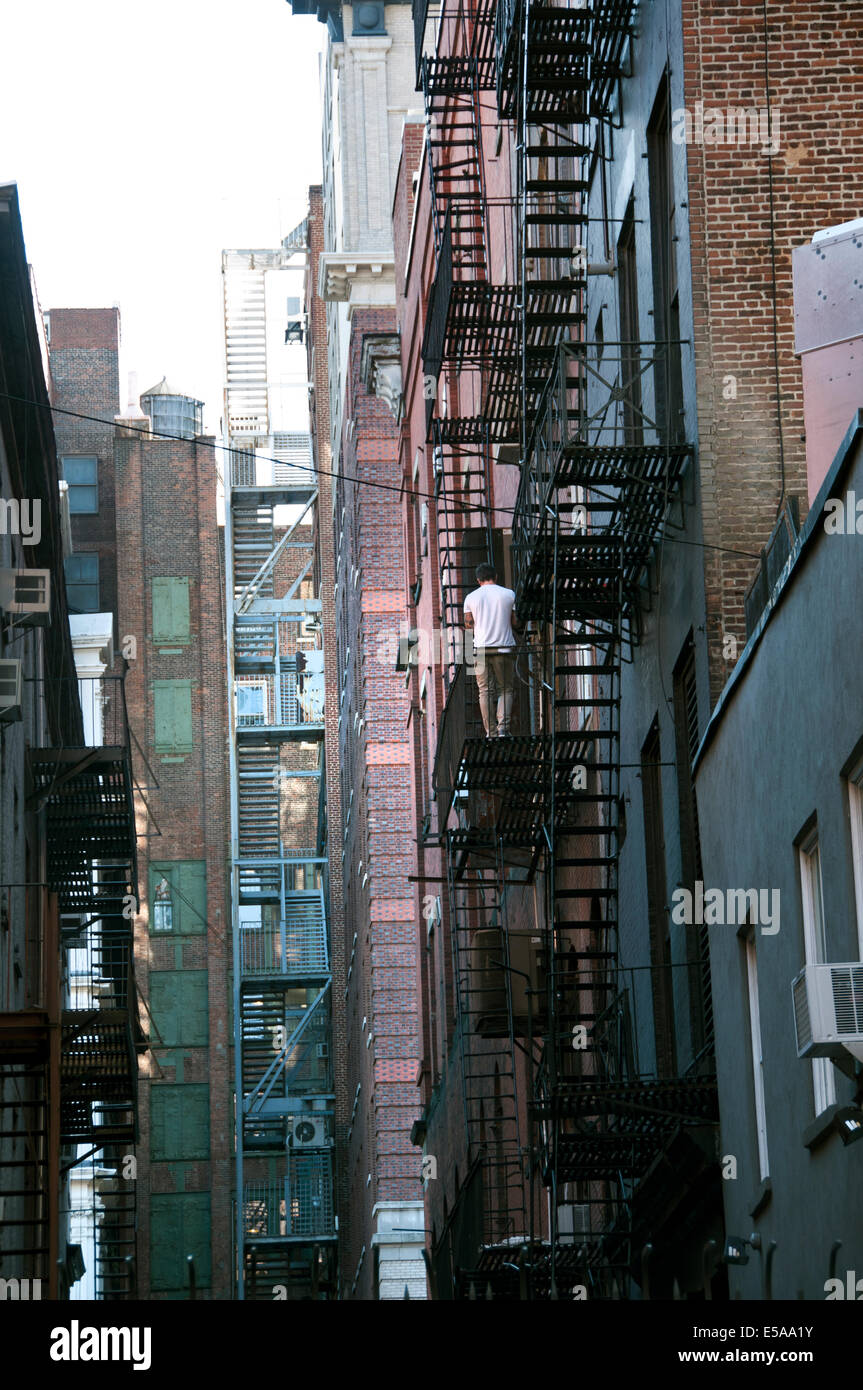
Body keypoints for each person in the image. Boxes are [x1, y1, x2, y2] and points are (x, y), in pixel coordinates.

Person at [464, 563, 519, 737]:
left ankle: (491, 732)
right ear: (496, 577)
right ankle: (503, 728)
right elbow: (515, 622)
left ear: (478, 580)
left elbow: (468, 625)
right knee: (506, 689)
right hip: (503, 648)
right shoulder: (509, 594)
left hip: (480, 649)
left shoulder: (470, 598)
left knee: (484, 690)